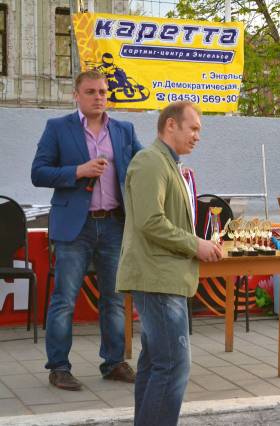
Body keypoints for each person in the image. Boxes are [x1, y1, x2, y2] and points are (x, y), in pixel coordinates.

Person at [31, 69, 142, 391]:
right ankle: (59, 368)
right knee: (64, 299)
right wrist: (78, 171)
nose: (98, 97)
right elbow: (39, 173)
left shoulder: (123, 130)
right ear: (76, 95)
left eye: (103, 92)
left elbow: (143, 163)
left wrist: (174, 166)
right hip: (74, 228)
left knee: (114, 299)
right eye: (91, 92)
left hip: (114, 224)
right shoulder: (57, 127)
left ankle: (114, 362)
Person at [116, 101, 223, 426]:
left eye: (199, 130)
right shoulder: (150, 161)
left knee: (155, 364)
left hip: (164, 277)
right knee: (174, 365)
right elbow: (150, 221)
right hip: (158, 278)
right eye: (193, 128)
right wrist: (196, 245)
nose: (197, 136)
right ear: (171, 125)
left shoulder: (168, 164)